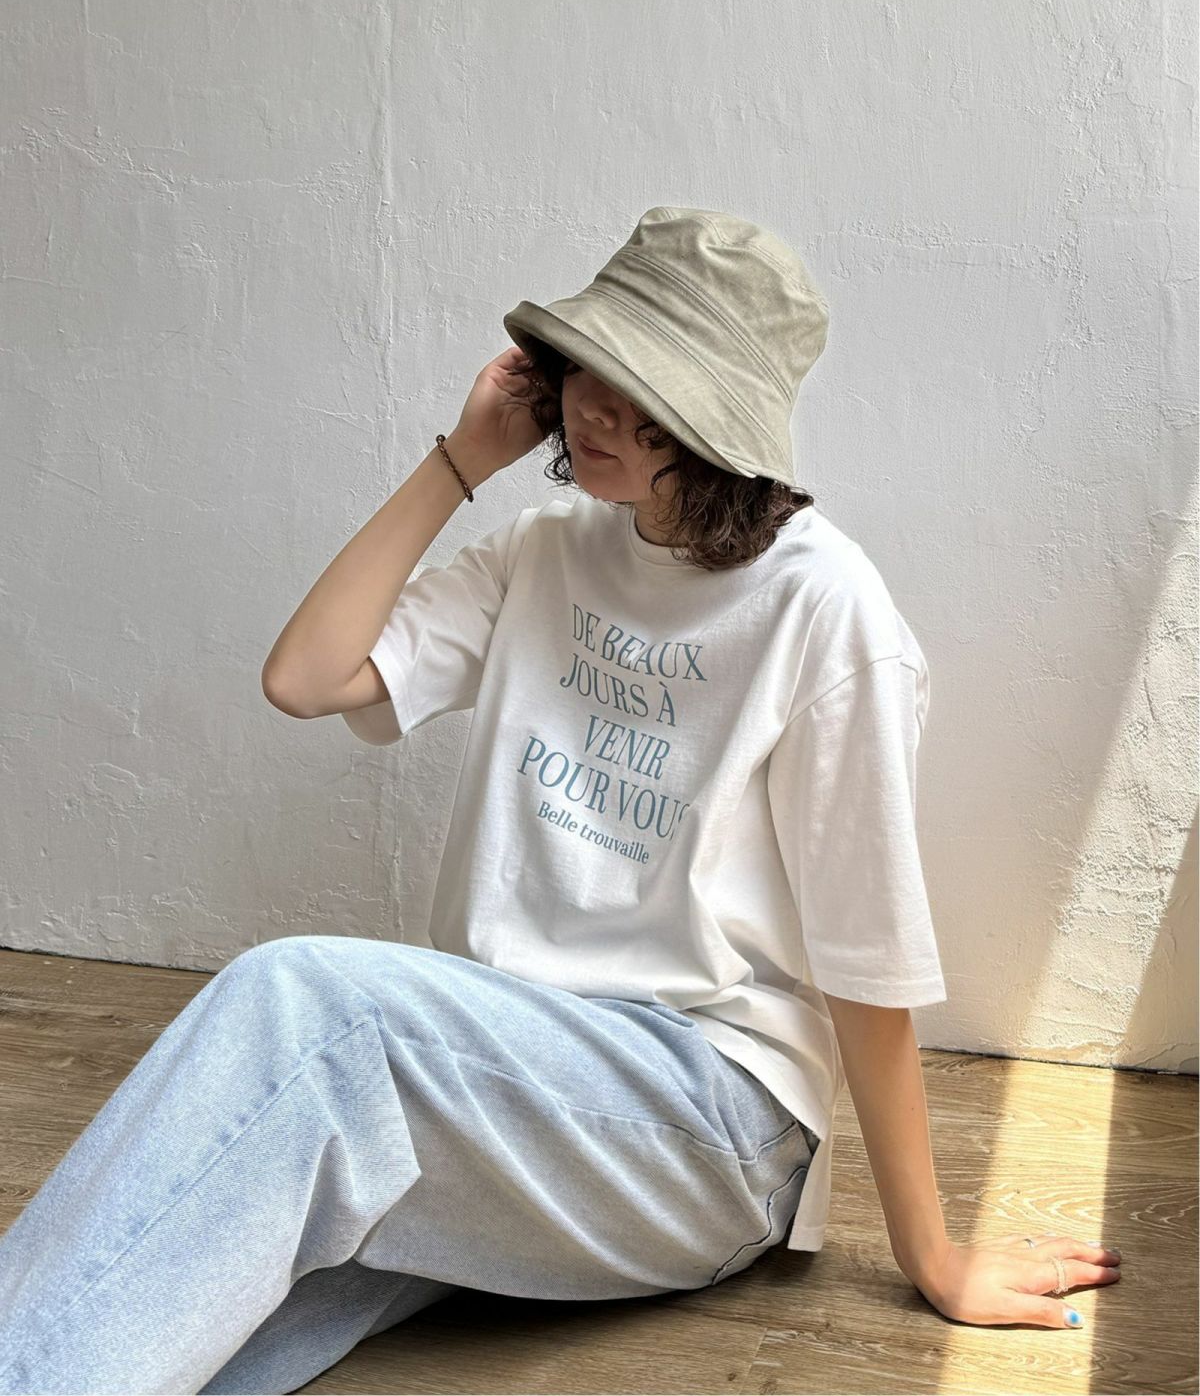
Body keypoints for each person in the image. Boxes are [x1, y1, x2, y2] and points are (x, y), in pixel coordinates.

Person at [0, 208, 1120, 1395]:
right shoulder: (546, 552)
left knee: (306, 1010)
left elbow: (866, 958)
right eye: (591, 366)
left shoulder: (825, 610)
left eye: (649, 394)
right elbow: (308, 678)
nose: (596, 410)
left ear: (720, 422)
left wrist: (932, 1255)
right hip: (512, 1084)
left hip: (712, 1124)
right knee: (202, 1288)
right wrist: (459, 462)